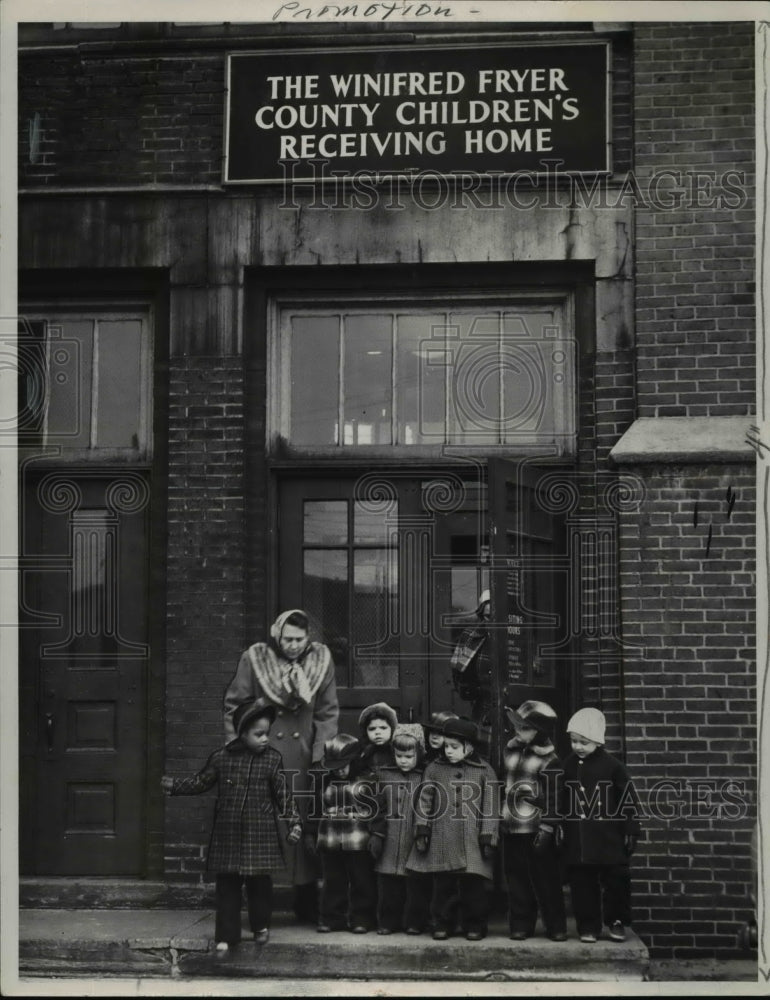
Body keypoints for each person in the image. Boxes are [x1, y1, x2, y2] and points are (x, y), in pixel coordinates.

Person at [222, 609, 339, 924]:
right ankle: (264, 907)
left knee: (301, 829)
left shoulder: (320, 661)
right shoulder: (255, 659)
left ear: (307, 638)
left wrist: (320, 753)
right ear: (277, 635)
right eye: (287, 639)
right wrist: (240, 748)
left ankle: (306, 901)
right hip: (264, 755)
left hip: (303, 760)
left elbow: (327, 713)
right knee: (266, 829)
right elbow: (235, 706)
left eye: (299, 639)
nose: (293, 646)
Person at [162, 698, 302, 953]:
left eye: (267, 734)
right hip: (229, 834)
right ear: (243, 733)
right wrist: (175, 787)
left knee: (260, 885)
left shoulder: (272, 759)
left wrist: (294, 823)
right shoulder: (221, 758)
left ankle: (260, 926)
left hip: (260, 833)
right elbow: (201, 782)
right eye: (258, 734)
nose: (265, 739)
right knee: (227, 887)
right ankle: (226, 935)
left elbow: (283, 794)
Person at [407, 716, 500, 941]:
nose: (448, 751)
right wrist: (422, 830)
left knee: (473, 888)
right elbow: (424, 801)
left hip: (472, 840)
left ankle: (475, 924)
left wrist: (488, 836)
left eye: (454, 747)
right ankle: (441, 922)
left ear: (469, 748)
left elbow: (490, 806)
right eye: (446, 746)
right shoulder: (434, 769)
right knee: (443, 887)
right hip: (442, 838)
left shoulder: (484, 771)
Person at [559, 707, 642, 944]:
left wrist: (631, 829)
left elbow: (628, 799)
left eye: (583, 742)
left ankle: (616, 921)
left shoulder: (613, 766)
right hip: (579, 838)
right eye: (574, 741)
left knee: (616, 879)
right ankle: (588, 924)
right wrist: (559, 824)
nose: (577, 747)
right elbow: (561, 798)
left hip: (609, 836)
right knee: (582, 883)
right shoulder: (568, 765)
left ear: (597, 740)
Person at [500, 700, 567, 942]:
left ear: (539, 732)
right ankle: (521, 923)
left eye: (524, 728)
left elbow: (555, 796)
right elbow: (503, 786)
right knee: (516, 878)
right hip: (511, 826)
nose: (518, 732)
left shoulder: (550, 760)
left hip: (537, 829)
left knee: (546, 879)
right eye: (517, 727)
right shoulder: (509, 751)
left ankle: (555, 925)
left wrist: (548, 826)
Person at [307, 733, 378, 934]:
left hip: (358, 840)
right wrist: (310, 834)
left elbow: (376, 811)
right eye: (334, 767)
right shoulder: (323, 782)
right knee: (333, 881)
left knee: (361, 880)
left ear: (355, 761)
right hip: (330, 840)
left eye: (344, 765)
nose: (339, 771)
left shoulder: (367, 781)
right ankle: (331, 918)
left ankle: (361, 918)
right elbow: (315, 809)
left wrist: (376, 835)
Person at [368, 725, 431, 935]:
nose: (403, 760)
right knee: (388, 885)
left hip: (413, 839)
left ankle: (414, 922)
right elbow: (377, 806)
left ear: (419, 753)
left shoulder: (424, 776)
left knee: (415, 886)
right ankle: (387, 921)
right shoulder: (384, 775)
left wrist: (424, 833)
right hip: (390, 839)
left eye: (409, 756)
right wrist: (376, 833)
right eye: (399, 755)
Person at [450, 590, 494, 727]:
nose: (493, 621)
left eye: (497, 616)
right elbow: (457, 672)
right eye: (488, 616)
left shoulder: (515, 638)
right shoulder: (470, 636)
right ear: (481, 616)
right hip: (481, 706)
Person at [354, 701, 398, 776]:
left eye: (383, 728)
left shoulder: (397, 749)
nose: (377, 732)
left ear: (392, 729)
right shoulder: (364, 751)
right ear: (366, 731)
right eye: (372, 729)